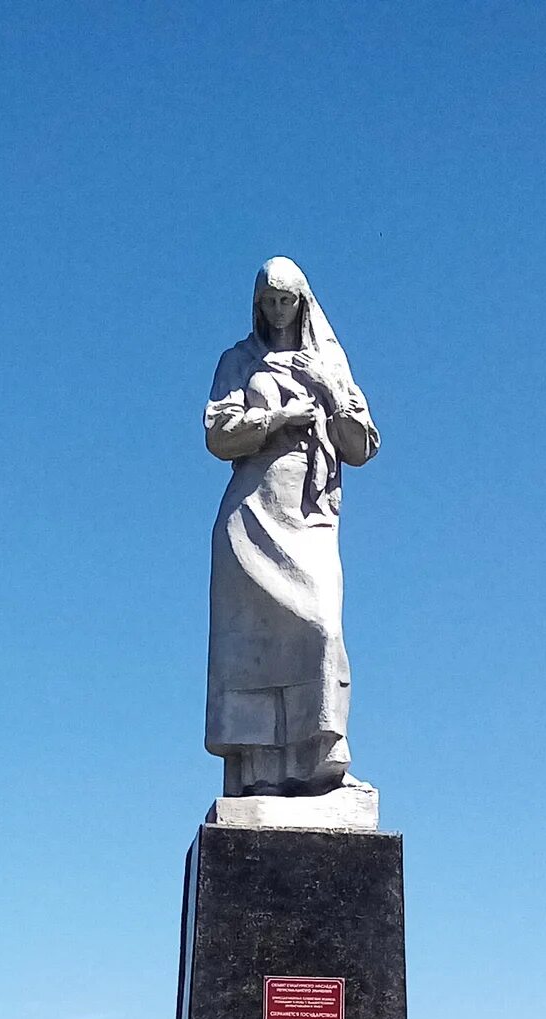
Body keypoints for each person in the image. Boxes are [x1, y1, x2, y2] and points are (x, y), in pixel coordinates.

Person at [203, 257, 378, 796]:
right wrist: (278, 419)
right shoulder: (238, 361)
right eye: (269, 301)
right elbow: (217, 435)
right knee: (256, 646)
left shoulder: (329, 360)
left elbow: (363, 445)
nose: (278, 311)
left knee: (321, 625)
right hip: (251, 511)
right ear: (258, 304)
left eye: (288, 300)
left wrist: (327, 389)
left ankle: (323, 758)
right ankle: (260, 775)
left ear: (303, 301)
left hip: (310, 513)